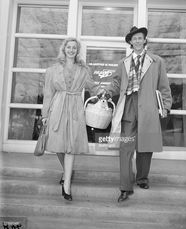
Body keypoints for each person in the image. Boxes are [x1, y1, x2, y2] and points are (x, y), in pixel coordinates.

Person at [98, 26, 172, 202]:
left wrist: (166, 106)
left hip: (148, 107)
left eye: (140, 38)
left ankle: (142, 178)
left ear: (144, 40)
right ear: (130, 42)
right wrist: (108, 92)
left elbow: (163, 86)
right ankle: (125, 186)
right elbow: (116, 83)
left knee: (145, 147)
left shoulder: (157, 61)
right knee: (126, 147)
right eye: (134, 38)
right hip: (128, 107)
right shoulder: (123, 62)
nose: (138, 41)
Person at [42, 37, 100, 201]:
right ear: (64, 49)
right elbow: (48, 93)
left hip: (75, 107)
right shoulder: (52, 70)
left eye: (74, 47)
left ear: (77, 50)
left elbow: (92, 86)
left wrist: (103, 93)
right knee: (58, 145)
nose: (71, 50)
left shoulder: (83, 69)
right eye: (69, 47)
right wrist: (45, 114)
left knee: (70, 146)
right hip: (58, 107)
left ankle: (66, 185)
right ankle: (66, 171)